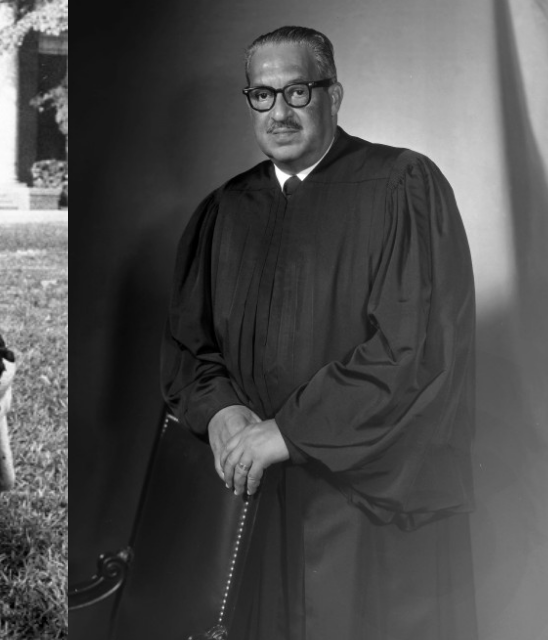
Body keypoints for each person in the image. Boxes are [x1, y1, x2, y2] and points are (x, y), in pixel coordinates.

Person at [160, 26, 477, 639]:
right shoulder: (224, 211)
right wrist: (222, 413)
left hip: (366, 511)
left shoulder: (400, 185)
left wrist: (287, 431)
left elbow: (414, 349)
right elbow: (188, 348)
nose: (278, 112)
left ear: (335, 95)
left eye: (298, 92)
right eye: (262, 95)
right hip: (258, 501)